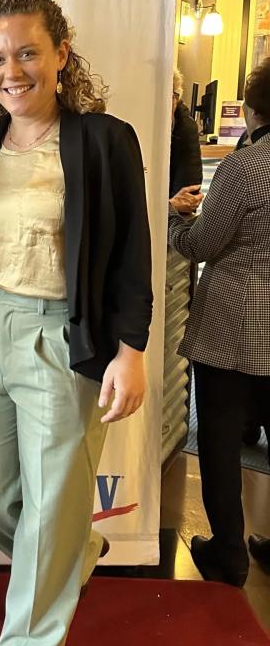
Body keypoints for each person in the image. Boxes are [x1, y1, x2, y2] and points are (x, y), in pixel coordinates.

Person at [0, 0, 152, 646]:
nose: (13, 71)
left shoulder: (103, 140)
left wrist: (132, 348)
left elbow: (131, 254)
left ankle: (30, 636)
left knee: (52, 504)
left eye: (29, 52)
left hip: (63, 339)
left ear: (62, 54)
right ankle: (74, 551)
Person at [168, 57, 270, 587]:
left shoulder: (246, 166)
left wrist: (173, 219)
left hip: (233, 327)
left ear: (253, 109)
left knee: (221, 442)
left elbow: (203, 243)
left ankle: (229, 552)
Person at [169, 69, 203, 214]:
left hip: (168, 226)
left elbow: (187, 200)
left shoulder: (185, 128)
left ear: (176, 99)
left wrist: (168, 208)